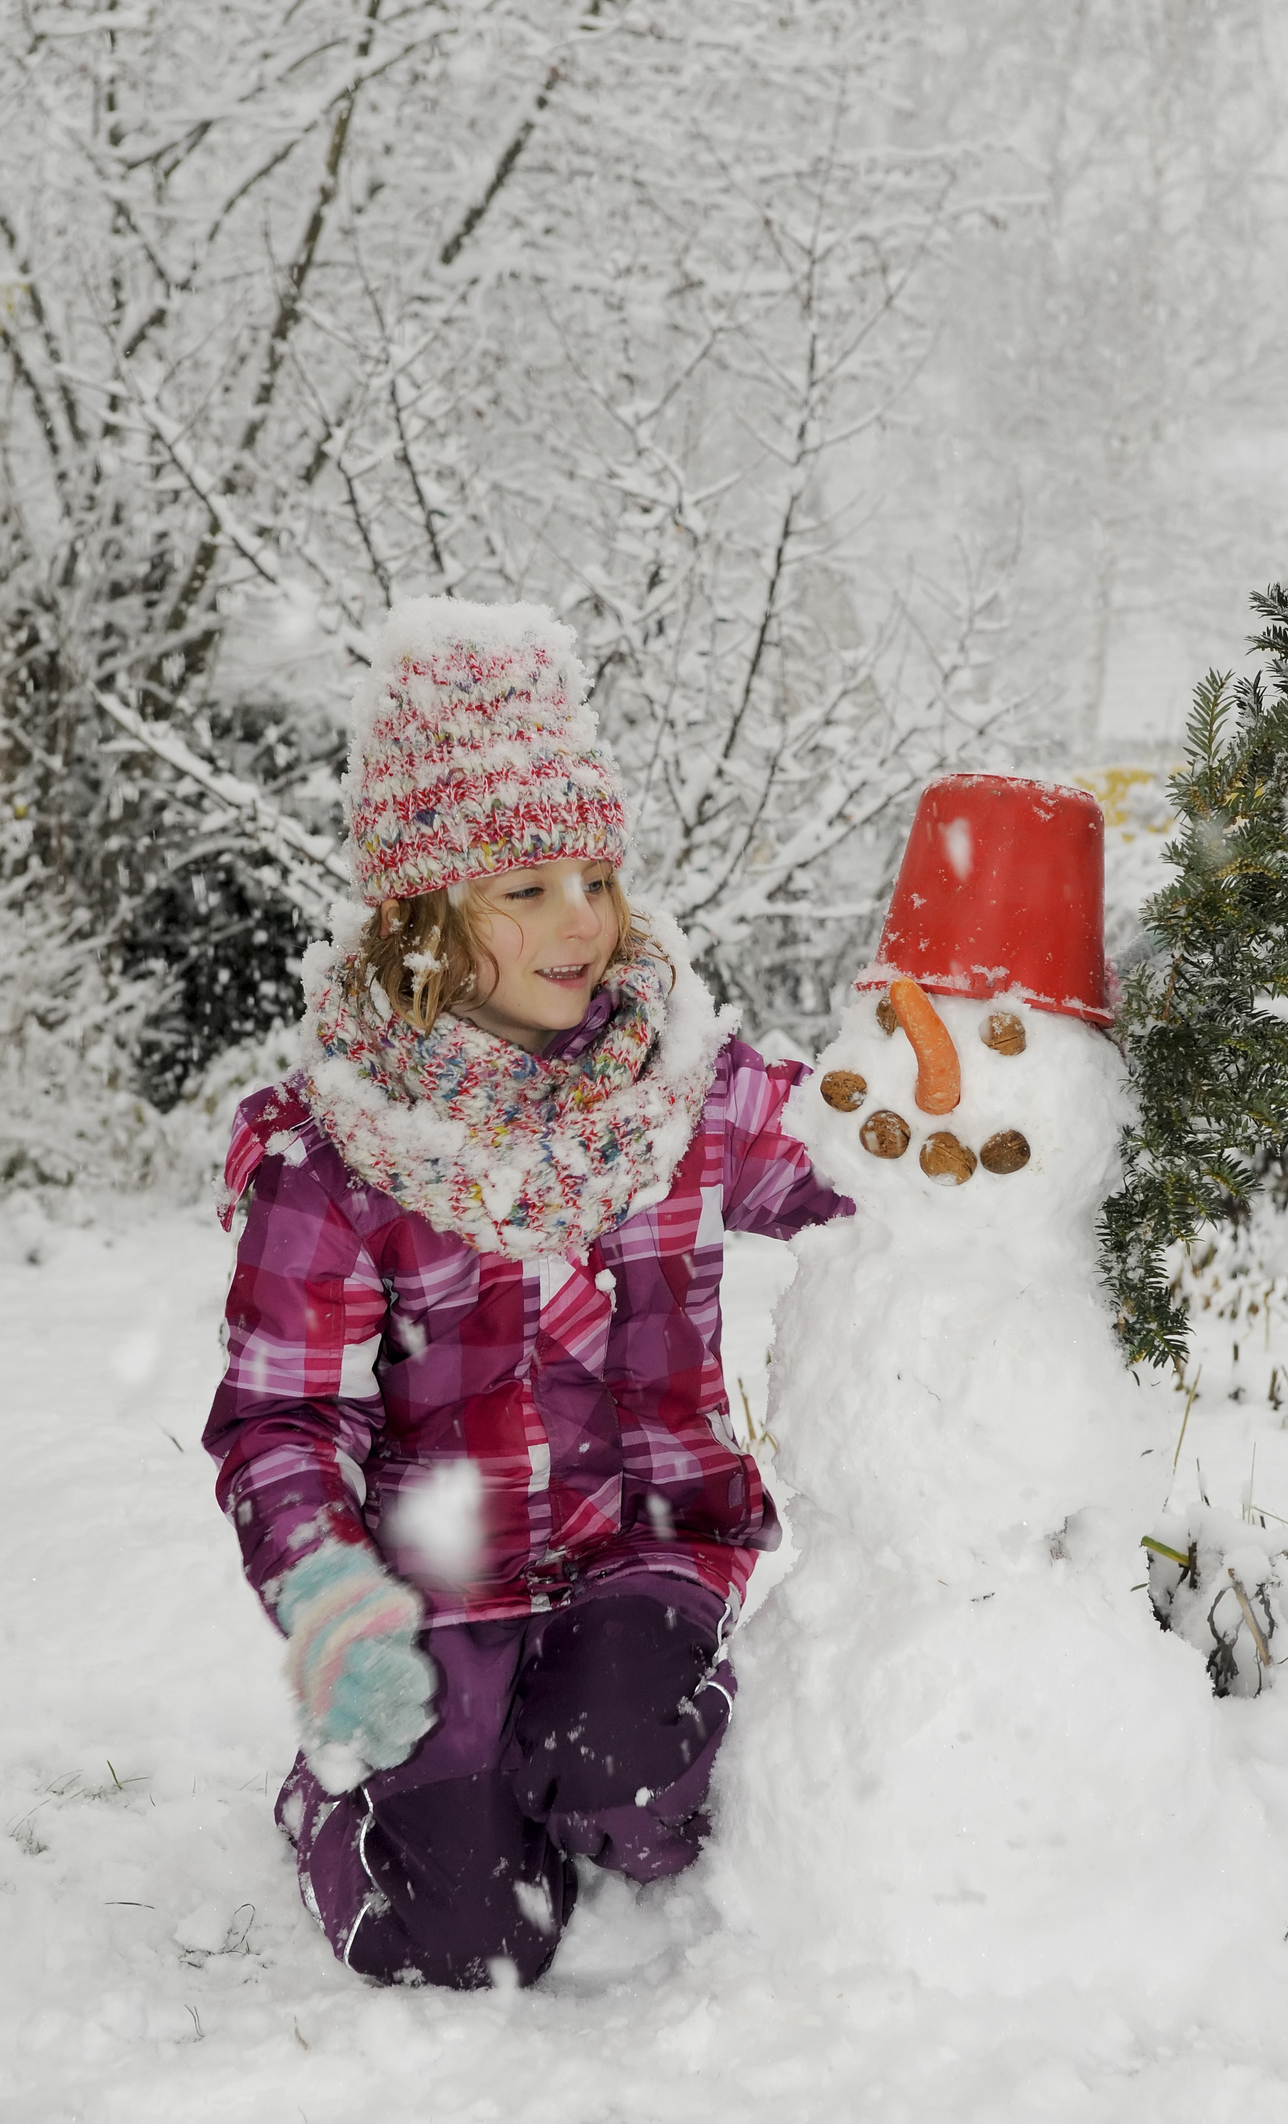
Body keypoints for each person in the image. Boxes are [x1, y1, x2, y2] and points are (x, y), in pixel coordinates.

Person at [203, 599, 851, 1990]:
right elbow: (280, 1420)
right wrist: (328, 1590)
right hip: (439, 1585)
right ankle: (342, 1803)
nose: (585, 923)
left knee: (632, 1793)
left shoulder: (682, 1089)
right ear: (427, 918)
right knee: (467, 1944)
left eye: (598, 879)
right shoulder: (336, 1156)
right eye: (528, 887)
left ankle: (593, 1747)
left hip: (647, 1543)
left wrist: (978, 1116)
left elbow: (857, 1161)